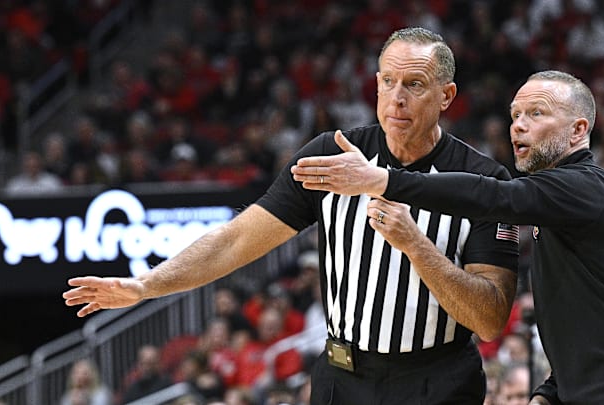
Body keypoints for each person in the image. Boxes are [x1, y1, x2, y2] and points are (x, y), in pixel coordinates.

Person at [63, 27, 519, 404]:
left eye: (414, 85)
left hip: (437, 382)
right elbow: (237, 239)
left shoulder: (483, 180)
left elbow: (490, 319)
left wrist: (417, 246)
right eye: (387, 82)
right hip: (343, 377)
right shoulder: (330, 156)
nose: (396, 98)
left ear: (446, 95)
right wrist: (148, 284)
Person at [290, 70, 604, 404]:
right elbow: (591, 322)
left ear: (578, 129)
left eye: (537, 113)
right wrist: (549, 393)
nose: (519, 124)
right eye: (515, 114)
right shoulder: (558, 207)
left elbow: (492, 195)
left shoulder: (586, 186)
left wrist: (385, 179)